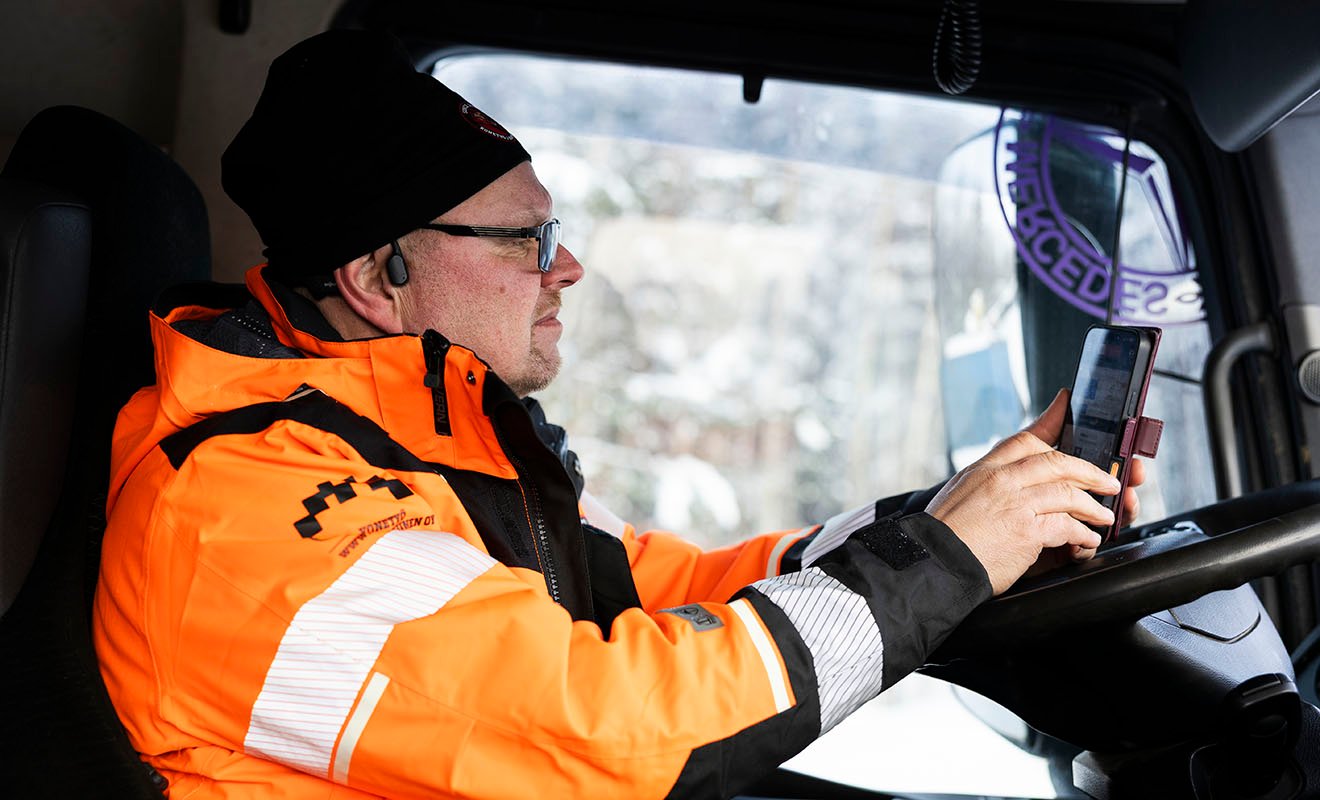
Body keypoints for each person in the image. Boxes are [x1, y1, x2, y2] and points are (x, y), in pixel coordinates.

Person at [93, 30, 1134, 799]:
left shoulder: (421, 431)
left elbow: (657, 588)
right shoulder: (243, 511)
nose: (569, 268)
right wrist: (946, 561)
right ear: (378, 275)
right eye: (528, 240)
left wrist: (961, 517)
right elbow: (606, 729)